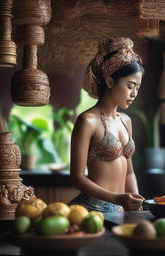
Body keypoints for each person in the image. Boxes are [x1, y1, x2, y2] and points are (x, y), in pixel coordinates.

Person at [69, 37, 144, 213]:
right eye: (130, 86)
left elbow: (129, 172)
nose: (134, 94)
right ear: (110, 81)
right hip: (91, 210)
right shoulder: (87, 121)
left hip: (122, 210)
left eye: (138, 88)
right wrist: (116, 198)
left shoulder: (126, 121)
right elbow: (76, 177)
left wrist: (137, 205)